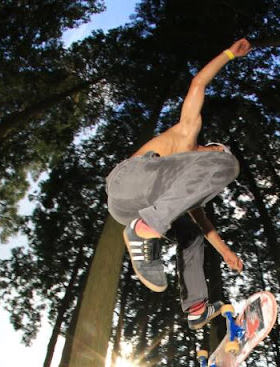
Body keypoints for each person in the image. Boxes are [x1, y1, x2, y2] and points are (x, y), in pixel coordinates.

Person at [106, 38, 252, 330]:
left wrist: (225, 252)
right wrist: (228, 54)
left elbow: (203, 224)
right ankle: (144, 230)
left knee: (192, 235)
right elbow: (198, 83)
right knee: (229, 166)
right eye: (218, 152)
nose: (217, 162)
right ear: (213, 147)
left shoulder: (185, 186)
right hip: (129, 179)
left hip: (129, 209)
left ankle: (196, 307)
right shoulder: (188, 134)